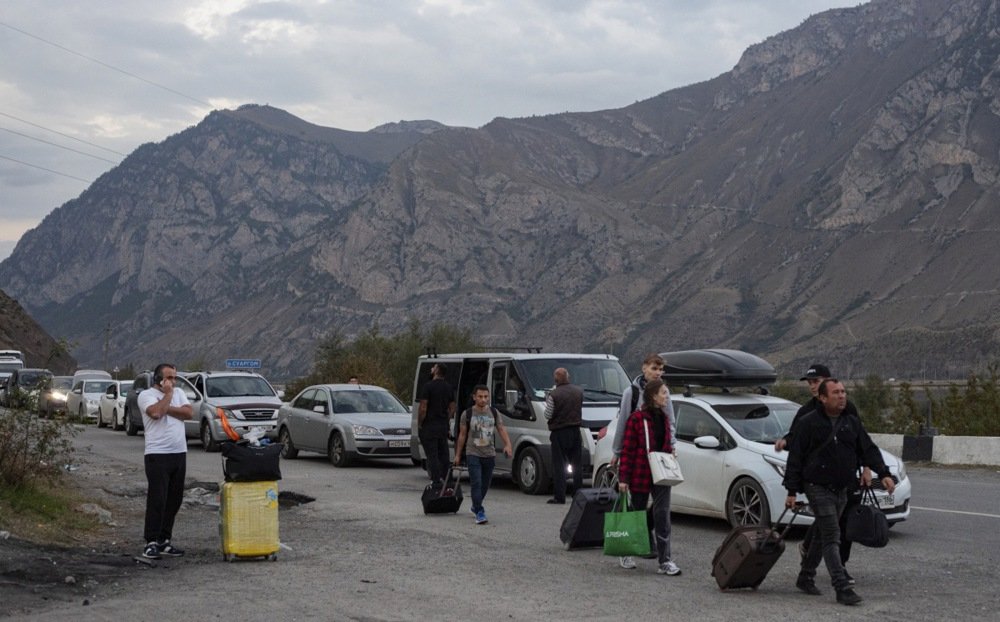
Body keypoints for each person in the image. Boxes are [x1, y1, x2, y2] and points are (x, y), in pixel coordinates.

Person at [783, 379, 895, 606]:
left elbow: (868, 449)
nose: (842, 396)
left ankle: (805, 577)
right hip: (816, 487)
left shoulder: (851, 423)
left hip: (843, 489)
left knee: (820, 535)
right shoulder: (808, 423)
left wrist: (883, 473)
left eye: (843, 392)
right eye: (836, 393)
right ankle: (842, 586)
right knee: (833, 535)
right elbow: (795, 458)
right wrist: (792, 491)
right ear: (822, 398)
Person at [776, 363, 870, 583]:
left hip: (846, 478)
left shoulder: (847, 408)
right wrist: (784, 442)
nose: (812, 386)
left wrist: (866, 467)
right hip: (817, 480)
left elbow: (861, 440)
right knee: (831, 528)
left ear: (828, 382)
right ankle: (840, 578)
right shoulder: (806, 412)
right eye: (810, 382)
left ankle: (810, 561)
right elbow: (796, 440)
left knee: (839, 524)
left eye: (816, 381)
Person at [616, 379, 681, 576]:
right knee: (636, 514)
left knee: (662, 515)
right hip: (640, 474)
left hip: (662, 474)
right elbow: (628, 450)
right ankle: (627, 552)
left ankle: (665, 561)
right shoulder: (636, 419)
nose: (666, 396)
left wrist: (671, 453)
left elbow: (666, 443)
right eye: (663, 392)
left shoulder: (665, 418)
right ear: (653, 396)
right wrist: (623, 478)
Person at [138, 363, 193, 560]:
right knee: (157, 499)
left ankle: (164, 540)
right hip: (157, 454)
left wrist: (167, 405)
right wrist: (168, 398)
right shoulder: (146, 395)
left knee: (174, 499)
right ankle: (151, 541)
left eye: (175, 378)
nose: (173, 382)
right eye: (169, 378)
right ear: (158, 379)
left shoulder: (179, 393)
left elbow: (188, 413)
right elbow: (155, 413)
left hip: (179, 452)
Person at [453, 385, 512, 524]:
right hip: (473, 453)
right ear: (474, 397)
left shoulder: (494, 412)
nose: (483, 399)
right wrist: (458, 455)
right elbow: (462, 435)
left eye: (486, 396)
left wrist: (508, 444)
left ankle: (475, 505)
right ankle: (480, 511)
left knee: (485, 484)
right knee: (476, 483)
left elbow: (501, 429)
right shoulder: (467, 414)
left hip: (489, 453)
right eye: (480, 396)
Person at [610, 353, 675, 468]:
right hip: (638, 453)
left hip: (660, 452)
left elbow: (670, 421)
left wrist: (672, 444)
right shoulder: (631, 392)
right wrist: (617, 452)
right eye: (654, 368)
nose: (658, 373)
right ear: (644, 368)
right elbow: (622, 423)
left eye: (660, 369)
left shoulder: (664, 392)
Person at [544, 367, 583, 505]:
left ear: (555, 379)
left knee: (559, 465)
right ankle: (578, 494)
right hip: (575, 431)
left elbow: (547, 414)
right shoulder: (579, 392)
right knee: (577, 464)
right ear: (568, 377)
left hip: (559, 432)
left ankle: (559, 496)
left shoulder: (554, 395)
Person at [418, 363, 455, 485]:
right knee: (444, 454)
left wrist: (420, 422)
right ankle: (447, 479)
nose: (431, 369)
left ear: (437, 371)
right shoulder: (449, 387)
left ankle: (436, 480)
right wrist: (445, 419)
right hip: (442, 426)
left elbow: (423, 408)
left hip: (430, 425)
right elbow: (452, 408)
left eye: (433, 367)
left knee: (432, 454)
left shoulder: (428, 386)